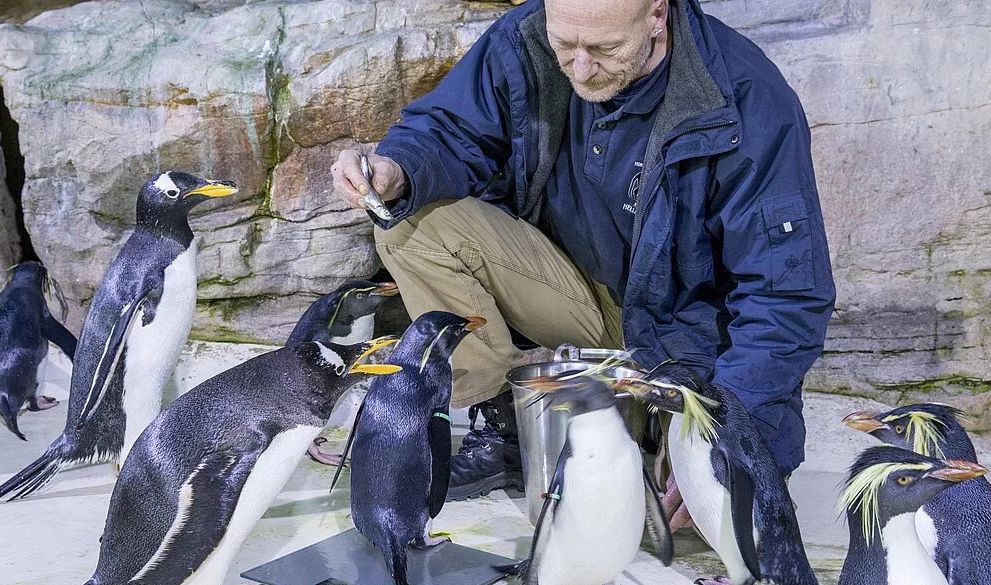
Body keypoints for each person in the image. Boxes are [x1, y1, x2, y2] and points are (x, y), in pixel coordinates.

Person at [331, 0, 835, 520]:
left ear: (658, 14)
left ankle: (649, 432)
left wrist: (734, 428)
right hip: (579, 296)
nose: (579, 67)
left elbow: (785, 295)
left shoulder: (747, 100)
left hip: (688, 340)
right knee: (409, 224)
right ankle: (510, 418)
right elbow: (450, 129)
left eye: (604, 49)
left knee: (702, 515)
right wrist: (397, 169)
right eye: (565, 45)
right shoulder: (528, 38)